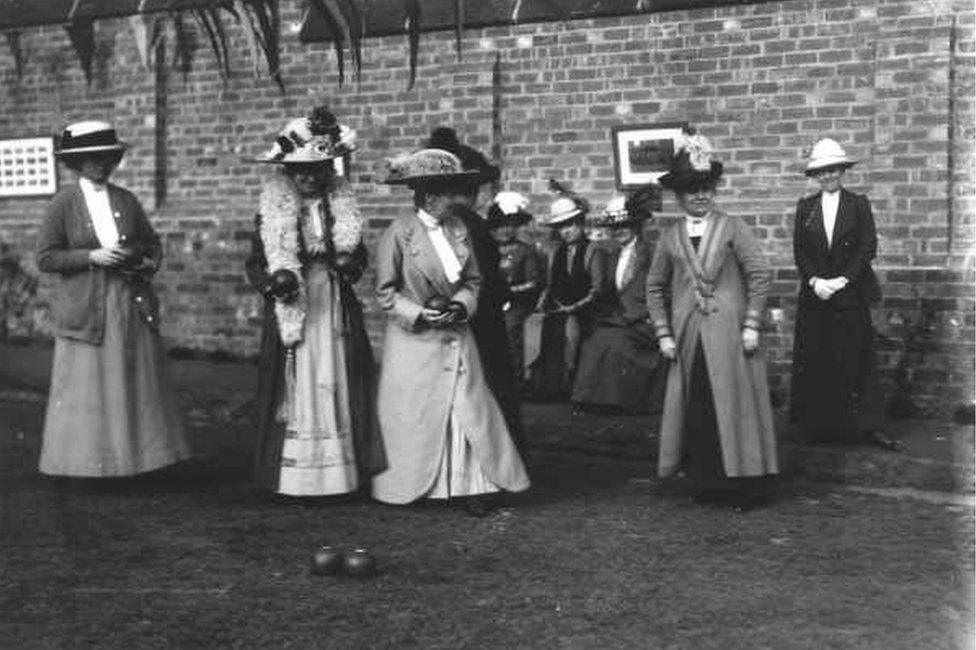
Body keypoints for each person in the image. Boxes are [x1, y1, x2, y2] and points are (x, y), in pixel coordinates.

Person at [372, 148, 529, 515]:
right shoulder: (399, 233)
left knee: (469, 408)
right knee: (419, 413)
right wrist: (420, 313)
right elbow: (385, 292)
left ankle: (473, 485)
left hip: (457, 335)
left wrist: (460, 304)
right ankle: (419, 485)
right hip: (415, 341)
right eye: (449, 195)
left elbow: (474, 280)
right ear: (429, 198)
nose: (457, 202)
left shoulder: (458, 229)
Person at [244, 107, 386, 497]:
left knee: (335, 374)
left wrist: (350, 263)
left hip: (333, 299)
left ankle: (340, 474)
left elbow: (357, 253)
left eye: (318, 169)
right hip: (295, 303)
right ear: (288, 173)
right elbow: (256, 264)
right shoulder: (270, 212)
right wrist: (274, 284)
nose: (308, 177)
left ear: (328, 171)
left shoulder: (340, 206)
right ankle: (300, 477)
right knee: (302, 379)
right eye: (300, 171)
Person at [36, 120, 190, 478]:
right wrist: (92, 257)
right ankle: (85, 467)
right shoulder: (63, 203)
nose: (102, 165)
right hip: (86, 308)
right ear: (77, 163)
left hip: (128, 302)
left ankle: (136, 462)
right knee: (90, 386)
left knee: (132, 381)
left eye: (107, 157)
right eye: (93, 159)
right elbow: (45, 257)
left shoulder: (125, 199)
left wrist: (140, 258)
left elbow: (151, 245)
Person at [646, 128, 778, 510]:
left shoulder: (733, 226)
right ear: (679, 194)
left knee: (736, 407)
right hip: (689, 337)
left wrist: (752, 324)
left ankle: (746, 487)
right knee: (700, 408)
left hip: (732, 336)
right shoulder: (671, 236)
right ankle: (708, 482)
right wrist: (663, 334)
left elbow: (759, 273)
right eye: (691, 189)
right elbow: (655, 287)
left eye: (706, 187)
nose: (701, 195)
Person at [789, 138, 902, 451]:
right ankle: (821, 426)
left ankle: (867, 427)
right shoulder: (806, 208)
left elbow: (868, 247)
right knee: (818, 356)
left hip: (849, 295)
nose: (827, 177)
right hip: (816, 297)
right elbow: (800, 250)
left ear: (842, 171)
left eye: (832, 170)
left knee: (857, 358)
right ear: (814, 175)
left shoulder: (857, 204)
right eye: (820, 172)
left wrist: (841, 280)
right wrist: (814, 281)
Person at [424, 127, 524, 449]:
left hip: (444, 314)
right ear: (470, 188)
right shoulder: (471, 225)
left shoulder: (431, 222)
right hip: (479, 319)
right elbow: (486, 280)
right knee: (485, 389)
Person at [571, 191, 667, 415]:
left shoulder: (652, 253)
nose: (619, 231)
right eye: (614, 227)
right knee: (595, 339)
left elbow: (664, 290)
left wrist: (652, 317)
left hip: (647, 320)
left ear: (636, 226)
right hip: (621, 318)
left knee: (614, 341)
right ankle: (594, 401)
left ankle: (623, 402)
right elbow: (606, 292)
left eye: (625, 225)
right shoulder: (610, 254)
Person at [529, 183, 612, 400]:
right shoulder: (556, 252)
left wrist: (572, 308)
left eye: (571, 225)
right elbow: (550, 284)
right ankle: (550, 388)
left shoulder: (594, 251)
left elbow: (598, 289)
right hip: (561, 309)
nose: (566, 231)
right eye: (561, 227)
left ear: (580, 224)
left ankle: (570, 385)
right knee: (545, 328)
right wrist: (543, 304)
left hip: (589, 311)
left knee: (569, 330)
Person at [486, 191, 544, 387]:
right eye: (501, 224)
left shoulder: (525, 251)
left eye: (510, 225)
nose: (505, 230)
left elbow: (534, 283)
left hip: (517, 303)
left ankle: (514, 379)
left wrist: (509, 293)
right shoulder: (486, 248)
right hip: (491, 301)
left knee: (509, 327)